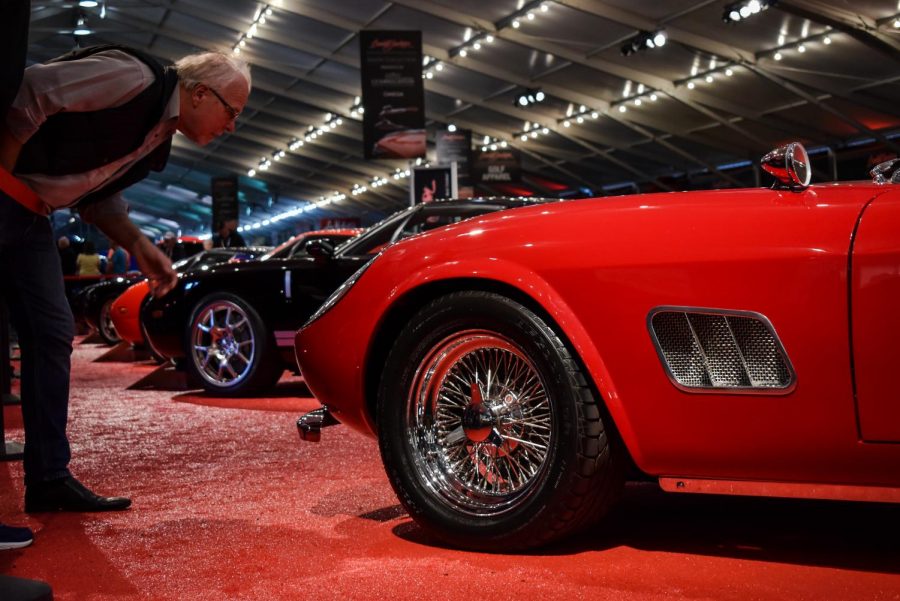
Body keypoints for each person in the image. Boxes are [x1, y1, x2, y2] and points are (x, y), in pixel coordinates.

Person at [0, 43, 251, 513]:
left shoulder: (156, 141)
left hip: (33, 211)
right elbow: (33, 91)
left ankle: (49, 477)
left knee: (53, 334)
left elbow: (97, 199)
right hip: (10, 195)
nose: (232, 126)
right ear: (199, 93)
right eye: (231, 110)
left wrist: (139, 245)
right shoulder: (134, 78)